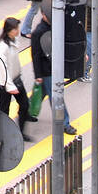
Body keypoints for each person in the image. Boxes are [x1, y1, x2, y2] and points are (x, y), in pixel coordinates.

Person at [31, 7, 77, 135]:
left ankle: (27, 112)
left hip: (55, 67)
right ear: (43, 14)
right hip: (47, 71)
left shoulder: (54, 26)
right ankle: (64, 123)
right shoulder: (38, 32)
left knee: (41, 94)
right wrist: (38, 75)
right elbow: (35, 55)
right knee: (56, 97)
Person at [0, 17, 33, 141]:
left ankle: (20, 132)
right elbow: (3, 68)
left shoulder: (14, 40)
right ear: (9, 30)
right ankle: (1, 135)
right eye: (15, 29)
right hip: (6, 84)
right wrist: (9, 86)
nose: (18, 31)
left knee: (24, 105)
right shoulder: (3, 47)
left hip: (16, 80)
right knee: (4, 111)